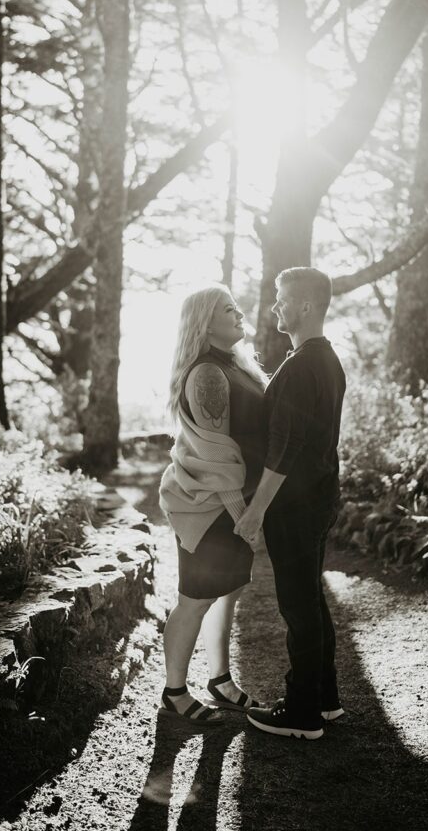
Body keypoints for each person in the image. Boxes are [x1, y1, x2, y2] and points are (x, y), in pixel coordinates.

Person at [234, 267, 346, 740]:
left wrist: (256, 509)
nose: (275, 307)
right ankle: (325, 699)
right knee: (310, 599)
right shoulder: (327, 359)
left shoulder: (302, 366)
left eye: (281, 299)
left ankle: (301, 713)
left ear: (304, 305)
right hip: (318, 498)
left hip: (297, 505)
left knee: (298, 605)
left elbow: (285, 447)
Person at [158, 284, 267, 726]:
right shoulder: (206, 373)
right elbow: (218, 457)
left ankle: (219, 679)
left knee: (228, 592)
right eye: (228, 308)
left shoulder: (232, 365)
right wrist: (245, 514)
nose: (238, 312)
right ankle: (174, 691)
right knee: (194, 599)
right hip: (209, 508)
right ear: (205, 322)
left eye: (237, 306)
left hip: (233, 505)